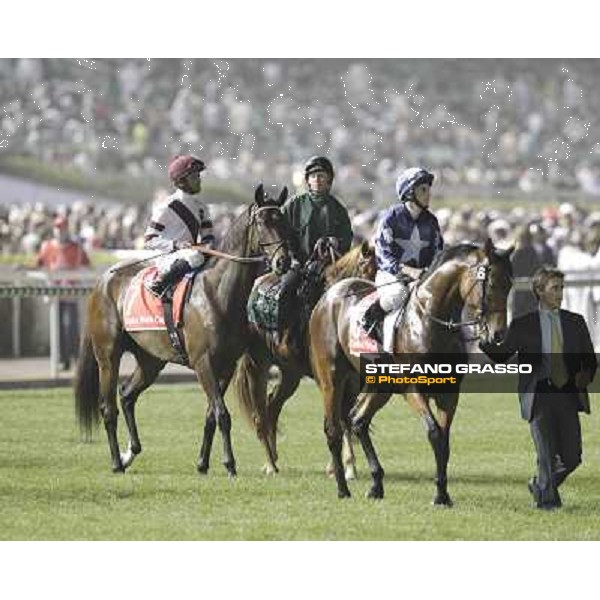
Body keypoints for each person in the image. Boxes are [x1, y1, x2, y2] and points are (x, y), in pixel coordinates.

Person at [480, 266, 597, 510]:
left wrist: (585, 375)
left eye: (562, 288)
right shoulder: (523, 324)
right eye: (555, 288)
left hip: (567, 395)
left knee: (572, 457)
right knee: (546, 454)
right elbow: (503, 355)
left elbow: (590, 360)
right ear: (539, 291)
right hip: (538, 395)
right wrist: (483, 341)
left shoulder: (575, 322)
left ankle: (541, 485)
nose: (561, 293)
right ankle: (548, 503)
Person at [362, 167, 444, 343]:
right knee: (398, 294)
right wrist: (408, 271)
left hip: (422, 276)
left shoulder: (431, 221)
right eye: (423, 189)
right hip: (390, 275)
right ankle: (370, 318)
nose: (428, 194)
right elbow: (383, 255)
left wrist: (429, 272)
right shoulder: (390, 217)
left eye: (429, 189)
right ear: (409, 192)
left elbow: (438, 254)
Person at [144, 154, 215, 297]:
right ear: (182, 181)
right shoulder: (167, 206)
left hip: (191, 255)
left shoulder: (202, 208)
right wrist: (175, 245)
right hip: (169, 258)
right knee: (195, 256)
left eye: (198, 176)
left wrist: (207, 245)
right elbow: (149, 240)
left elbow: (208, 237)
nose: (199, 180)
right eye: (194, 177)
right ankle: (159, 283)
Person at [36, 215, 91, 370]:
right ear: (54, 229)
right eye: (58, 228)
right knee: (59, 328)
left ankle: (75, 358)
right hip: (55, 295)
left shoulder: (77, 247)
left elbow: (88, 266)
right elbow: (38, 264)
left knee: (70, 327)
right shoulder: (47, 246)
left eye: (63, 228)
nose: (60, 231)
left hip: (72, 294)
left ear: (67, 229)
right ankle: (63, 360)